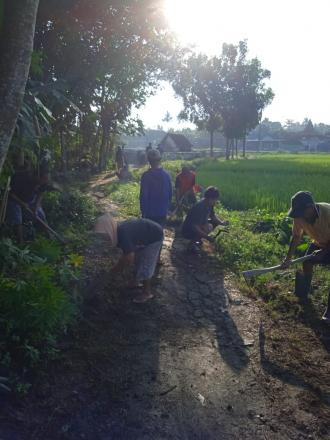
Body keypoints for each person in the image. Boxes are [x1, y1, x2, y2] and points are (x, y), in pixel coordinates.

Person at [281, 191, 330, 324]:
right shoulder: (299, 217)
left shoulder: (327, 211)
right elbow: (296, 237)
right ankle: (303, 294)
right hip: (319, 242)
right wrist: (288, 259)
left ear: (310, 207)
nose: (299, 216)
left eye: (301, 212)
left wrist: (324, 252)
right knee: (307, 262)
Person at [94, 213, 164, 303]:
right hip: (145, 234)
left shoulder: (122, 234)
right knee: (138, 260)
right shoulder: (118, 230)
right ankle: (136, 282)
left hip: (155, 236)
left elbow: (128, 258)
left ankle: (147, 293)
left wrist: (114, 271)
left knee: (146, 264)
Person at [6, 163, 48, 244]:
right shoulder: (21, 178)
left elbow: (40, 195)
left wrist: (36, 208)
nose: (44, 182)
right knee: (17, 217)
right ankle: (20, 241)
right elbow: (11, 194)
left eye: (45, 180)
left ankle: (49, 236)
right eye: (43, 179)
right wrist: (22, 203)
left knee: (41, 214)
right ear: (37, 176)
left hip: (29, 200)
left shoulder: (44, 181)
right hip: (15, 200)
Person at [182, 186, 228, 251]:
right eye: (215, 199)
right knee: (207, 227)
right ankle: (191, 245)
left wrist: (222, 223)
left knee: (212, 223)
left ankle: (197, 239)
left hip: (197, 225)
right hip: (188, 230)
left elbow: (213, 216)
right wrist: (207, 237)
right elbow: (194, 227)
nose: (216, 201)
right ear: (210, 198)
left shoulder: (209, 205)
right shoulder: (199, 207)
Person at [139, 149, 172, 228]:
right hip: (162, 211)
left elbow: (144, 196)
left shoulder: (146, 176)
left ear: (149, 161)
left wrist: (143, 211)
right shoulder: (166, 175)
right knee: (159, 234)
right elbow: (170, 194)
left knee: (149, 235)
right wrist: (166, 208)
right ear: (160, 159)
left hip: (150, 213)